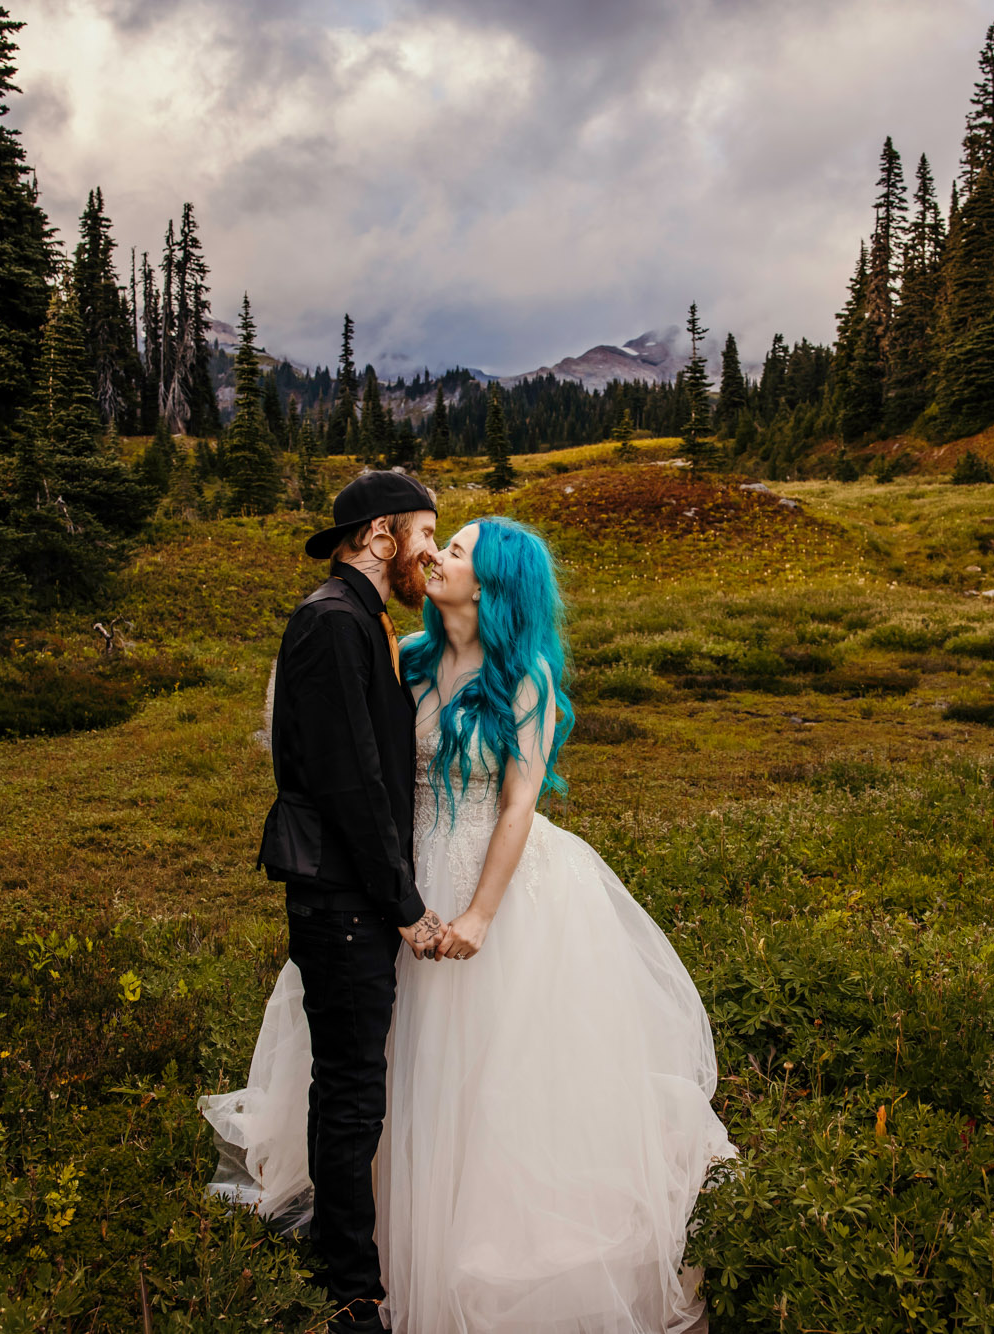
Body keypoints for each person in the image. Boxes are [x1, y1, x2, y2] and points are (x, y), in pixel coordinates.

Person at [210, 512, 735, 1332]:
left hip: (496, 885)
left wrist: (482, 913)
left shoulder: (524, 677)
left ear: (493, 582)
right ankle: (372, 1235)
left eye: (454, 549)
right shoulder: (408, 658)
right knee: (386, 1060)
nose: (436, 556)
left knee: (490, 1072)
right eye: (439, 542)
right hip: (404, 881)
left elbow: (520, 804)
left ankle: (476, 1243)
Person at [236, 470, 446, 1334]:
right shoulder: (329, 621)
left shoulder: (363, 620)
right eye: (426, 533)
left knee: (354, 1080)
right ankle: (350, 1287)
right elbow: (351, 782)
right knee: (352, 1087)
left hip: (354, 891)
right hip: (342, 896)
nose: (431, 551)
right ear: (383, 534)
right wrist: (405, 903)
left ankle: (344, 1258)